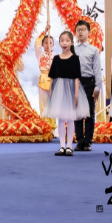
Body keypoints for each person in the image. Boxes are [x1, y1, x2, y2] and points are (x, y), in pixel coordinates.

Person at [42, 31, 90, 156]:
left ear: (72, 42)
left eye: (67, 40)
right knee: (61, 119)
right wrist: (51, 92)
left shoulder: (75, 59)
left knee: (70, 118)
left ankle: (69, 146)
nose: (64, 43)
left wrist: (76, 94)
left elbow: (77, 78)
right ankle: (62, 146)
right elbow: (52, 77)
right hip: (59, 90)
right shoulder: (56, 59)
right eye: (62, 40)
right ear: (59, 42)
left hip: (71, 90)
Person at [73, 20, 102, 152]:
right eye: (78, 30)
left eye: (83, 29)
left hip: (89, 82)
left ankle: (88, 141)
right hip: (76, 82)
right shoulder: (72, 49)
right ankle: (80, 141)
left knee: (90, 113)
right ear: (75, 32)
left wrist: (97, 87)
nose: (80, 32)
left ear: (89, 32)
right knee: (77, 113)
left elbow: (97, 70)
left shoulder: (93, 50)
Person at [34, 27, 56, 134]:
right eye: (46, 43)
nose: (48, 45)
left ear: (53, 44)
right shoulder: (40, 55)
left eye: (50, 42)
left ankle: (53, 128)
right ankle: (45, 128)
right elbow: (36, 44)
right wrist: (45, 31)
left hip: (53, 81)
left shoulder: (56, 57)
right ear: (43, 45)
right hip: (43, 81)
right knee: (44, 104)